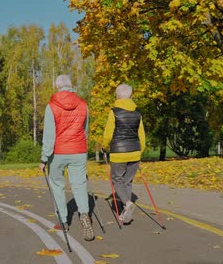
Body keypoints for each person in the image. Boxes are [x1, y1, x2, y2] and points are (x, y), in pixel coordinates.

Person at [39, 75, 94, 241]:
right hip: (78, 150)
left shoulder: (52, 106)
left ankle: (63, 221)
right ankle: (84, 214)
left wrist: (43, 158)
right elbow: (85, 130)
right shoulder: (83, 105)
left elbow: (49, 135)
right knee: (79, 184)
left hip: (58, 152)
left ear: (57, 87)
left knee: (57, 185)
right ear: (71, 86)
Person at [102, 83, 145, 224]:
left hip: (119, 153)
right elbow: (142, 135)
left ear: (117, 96)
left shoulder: (114, 112)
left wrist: (104, 146)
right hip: (135, 151)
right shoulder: (137, 113)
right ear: (131, 95)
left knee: (117, 179)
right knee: (127, 181)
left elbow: (108, 133)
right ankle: (125, 211)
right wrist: (140, 151)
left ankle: (127, 203)